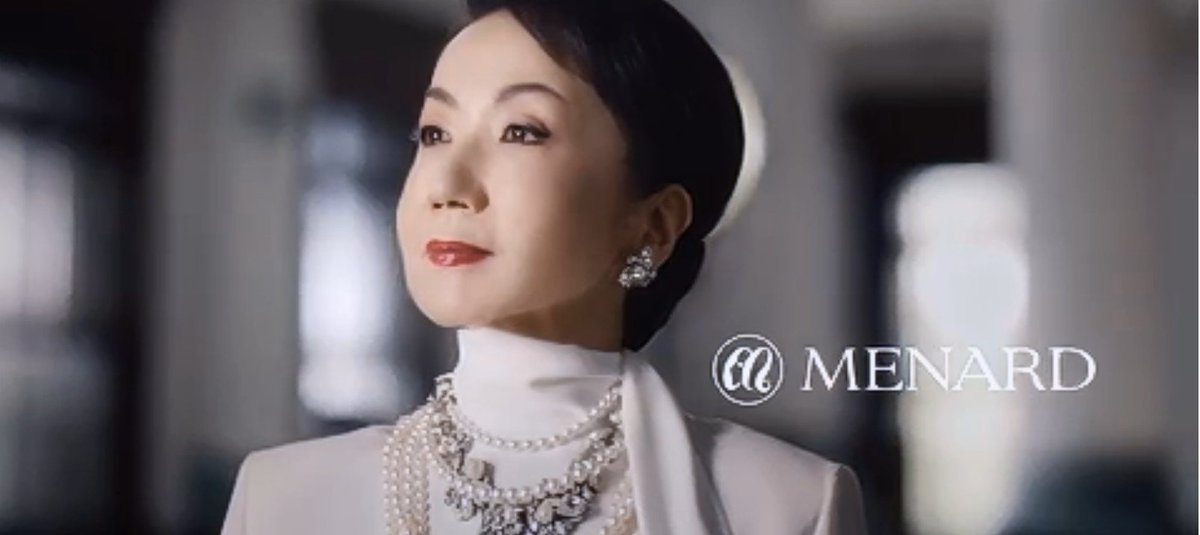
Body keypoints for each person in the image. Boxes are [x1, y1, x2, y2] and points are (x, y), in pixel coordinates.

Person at [220, 0, 868, 533]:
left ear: (653, 223)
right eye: (434, 133)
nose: (446, 185)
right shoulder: (282, 500)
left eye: (521, 131)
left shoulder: (787, 505)